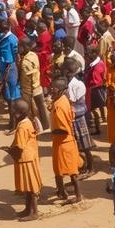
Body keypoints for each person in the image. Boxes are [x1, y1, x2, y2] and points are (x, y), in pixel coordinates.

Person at [49, 77, 83, 205]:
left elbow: (63, 130)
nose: (51, 90)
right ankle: (62, 192)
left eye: (53, 89)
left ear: (60, 90)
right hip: (63, 142)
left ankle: (77, 195)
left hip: (63, 142)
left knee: (71, 171)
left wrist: (52, 132)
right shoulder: (62, 100)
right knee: (59, 169)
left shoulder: (60, 105)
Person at [6, 99, 42, 221]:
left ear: (18, 114)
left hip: (26, 159)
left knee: (31, 186)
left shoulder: (22, 127)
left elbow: (20, 145)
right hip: (30, 157)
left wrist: (9, 150)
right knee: (28, 186)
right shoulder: (28, 122)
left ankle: (34, 212)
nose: (12, 112)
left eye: (13, 110)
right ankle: (28, 209)